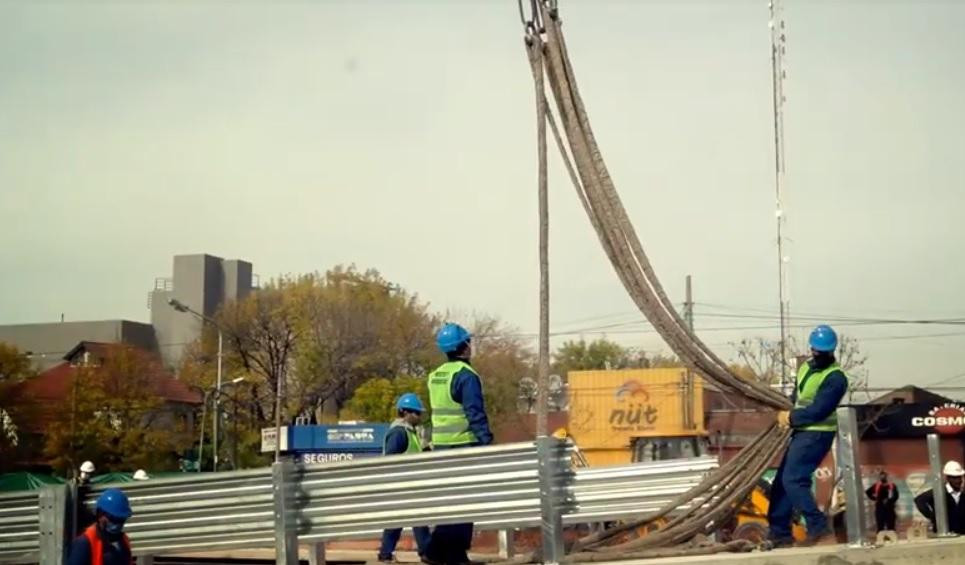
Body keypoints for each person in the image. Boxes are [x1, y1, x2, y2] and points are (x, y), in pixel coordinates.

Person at [767, 325, 848, 547]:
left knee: (794, 480)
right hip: (802, 431)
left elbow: (819, 410)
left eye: (822, 351)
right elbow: (797, 396)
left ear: (831, 351)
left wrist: (792, 418)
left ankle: (818, 528)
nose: (817, 354)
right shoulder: (805, 368)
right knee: (782, 483)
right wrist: (787, 411)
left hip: (817, 434)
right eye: (815, 350)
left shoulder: (836, 378)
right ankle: (779, 534)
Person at [422, 323, 493, 565]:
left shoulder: (435, 376)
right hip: (464, 444)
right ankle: (444, 553)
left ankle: (442, 552)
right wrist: (486, 443)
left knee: (450, 501)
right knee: (466, 502)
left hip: (441, 447)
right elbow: (475, 412)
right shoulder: (466, 376)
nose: (470, 346)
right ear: (463, 346)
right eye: (468, 342)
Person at [379, 393, 432, 563]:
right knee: (409, 519)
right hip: (402, 484)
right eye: (416, 413)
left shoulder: (410, 432)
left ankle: (386, 554)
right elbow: (391, 460)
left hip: (409, 483)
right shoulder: (398, 433)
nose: (418, 416)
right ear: (405, 412)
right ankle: (425, 552)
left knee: (403, 520)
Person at [68, 488, 134, 565]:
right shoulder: (84, 543)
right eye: (112, 518)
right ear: (100, 515)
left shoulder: (123, 541)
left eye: (121, 519)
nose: (117, 523)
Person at [914, 460, 965, 534]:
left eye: (959, 477)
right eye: (955, 478)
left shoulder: (963, 494)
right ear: (948, 478)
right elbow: (919, 500)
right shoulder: (939, 492)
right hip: (944, 535)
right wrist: (933, 517)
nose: (958, 481)